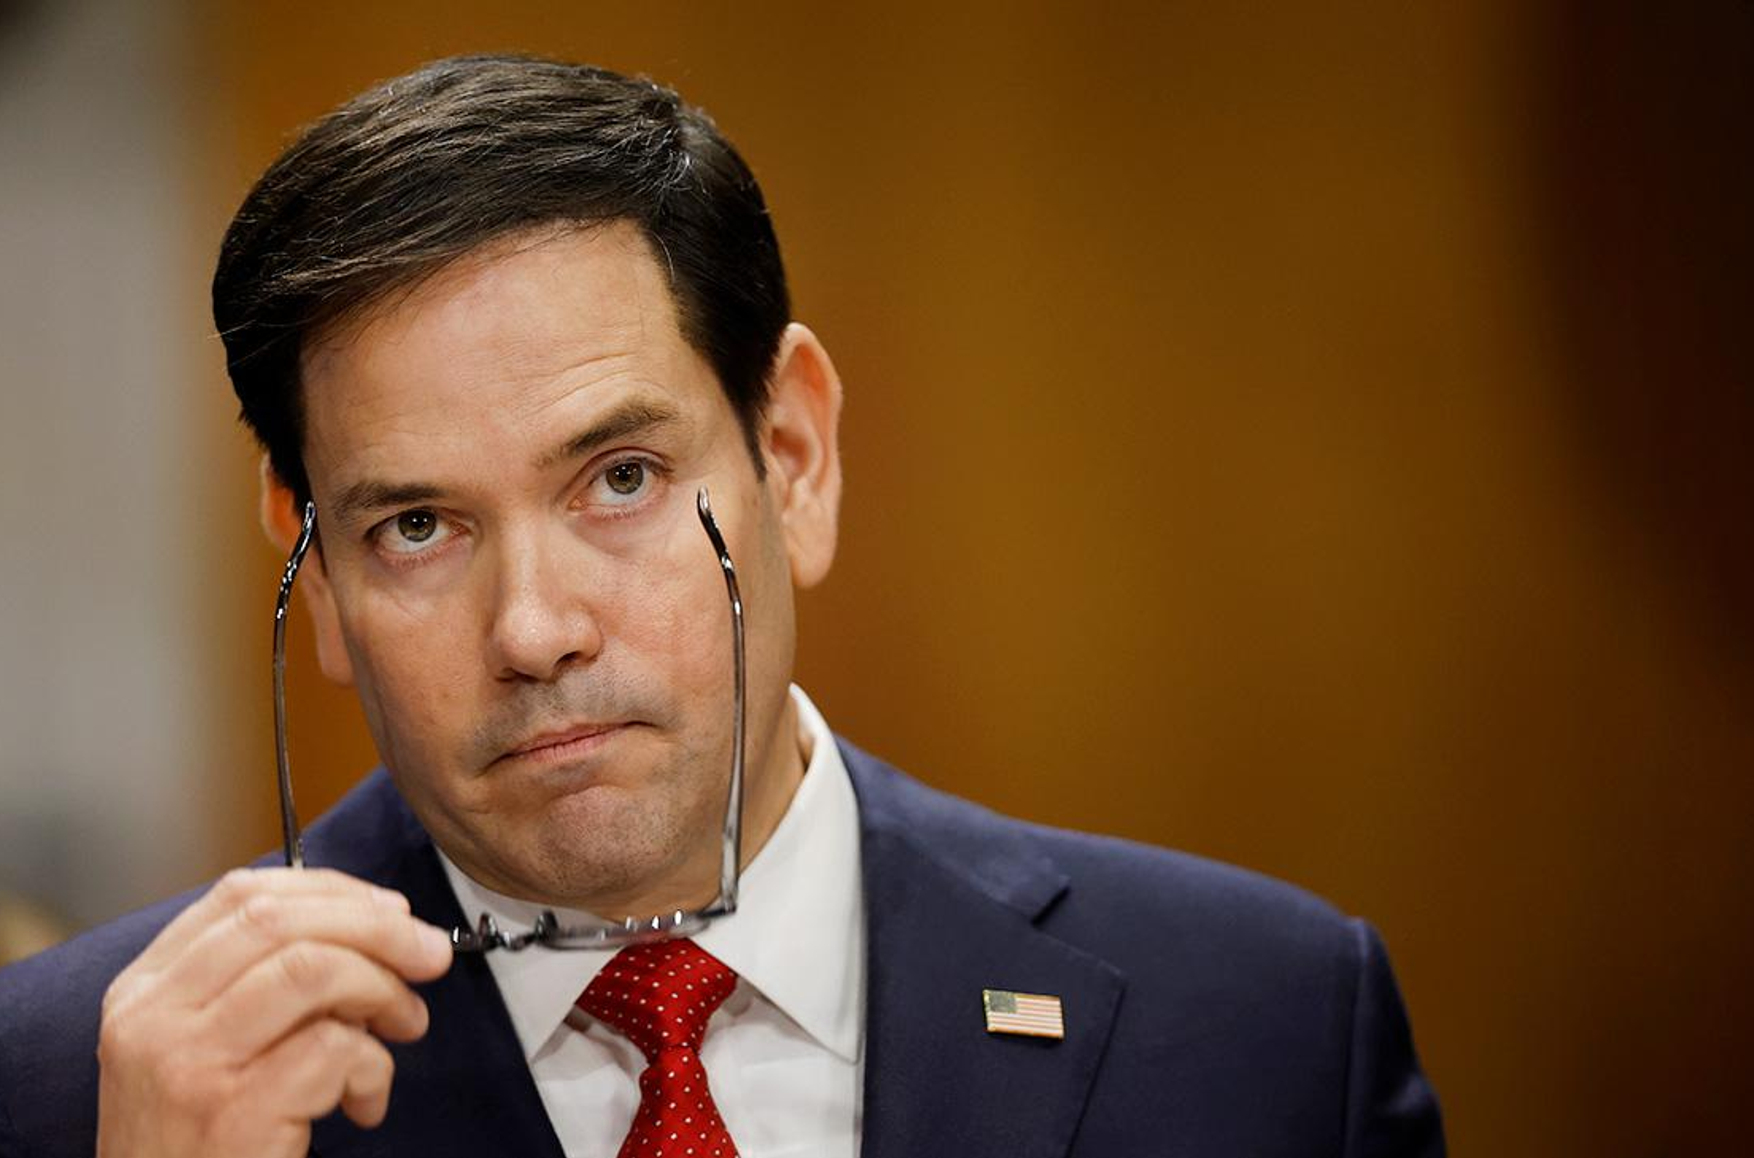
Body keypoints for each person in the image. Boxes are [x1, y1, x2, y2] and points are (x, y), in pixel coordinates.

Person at [0, 55, 1444, 1157]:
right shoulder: (69, 1087)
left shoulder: (1263, 1027)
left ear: (793, 457)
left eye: (620, 478)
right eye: (418, 526)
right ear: (316, 572)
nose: (534, 630)